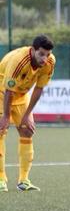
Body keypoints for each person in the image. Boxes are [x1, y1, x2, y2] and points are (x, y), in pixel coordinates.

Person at [0, 35, 55, 192]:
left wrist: (27, 115)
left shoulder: (49, 63)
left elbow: (39, 88)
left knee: (27, 130)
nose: (45, 58)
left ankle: (23, 180)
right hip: (2, 93)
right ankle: (1, 179)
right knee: (0, 131)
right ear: (33, 50)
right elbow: (9, 91)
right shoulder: (19, 61)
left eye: (48, 54)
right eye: (41, 54)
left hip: (21, 95)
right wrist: (5, 116)